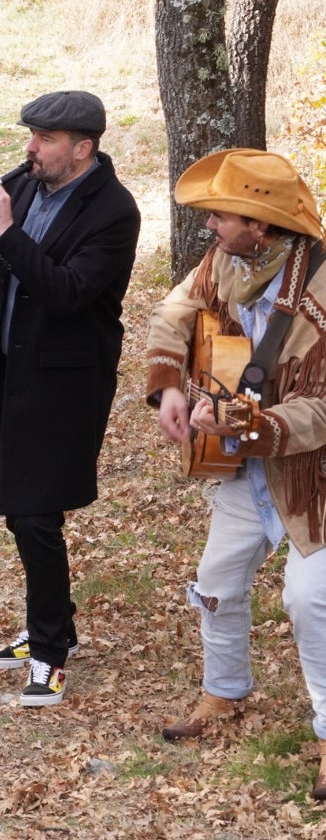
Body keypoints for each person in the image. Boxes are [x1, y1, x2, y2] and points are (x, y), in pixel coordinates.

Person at [0, 91, 141, 706]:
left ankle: (50, 649)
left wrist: (6, 230)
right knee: (28, 509)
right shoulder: (24, 186)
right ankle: (56, 628)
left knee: (34, 512)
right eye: (30, 136)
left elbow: (69, 292)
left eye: (45, 139)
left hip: (67, 380)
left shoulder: (114, 212)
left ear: (83, 147)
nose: (31, 148)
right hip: (8, 368)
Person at [146, 149, 326, 797]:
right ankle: (224, 695)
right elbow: (175, 312)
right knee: (217, 580)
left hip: (313, 480)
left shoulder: (321, 287)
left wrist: (253, 427)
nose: (211, 224)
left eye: (223, 214)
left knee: (310, 599)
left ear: (264, 222)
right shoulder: (225, 262)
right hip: (241, 469)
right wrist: (168, 385)